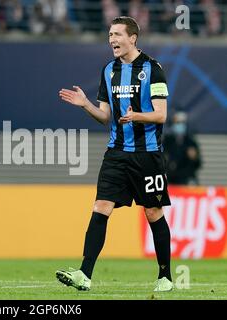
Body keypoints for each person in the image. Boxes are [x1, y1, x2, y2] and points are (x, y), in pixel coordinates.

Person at [56, 16, 173, 292]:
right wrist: (86, 104)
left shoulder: (153, 69)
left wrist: (136, 117)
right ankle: (84, 274)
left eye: (118, 34)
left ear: (133, 38)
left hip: (148, 155)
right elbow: (106, 116)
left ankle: (165, 276)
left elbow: (161, 115)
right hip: (116, 153)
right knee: (101, 207)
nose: (112, 40)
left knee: (153, 212)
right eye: (110, 35)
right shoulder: (108, 71)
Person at [163, 111, 201, 185]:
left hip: (186, 179)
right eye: (178, 123)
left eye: (182, 123)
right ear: (173, 124)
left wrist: (194, 158)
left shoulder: (191, 142)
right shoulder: (167, 141)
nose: (180, 125)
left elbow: (198, 164)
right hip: (170, 178)